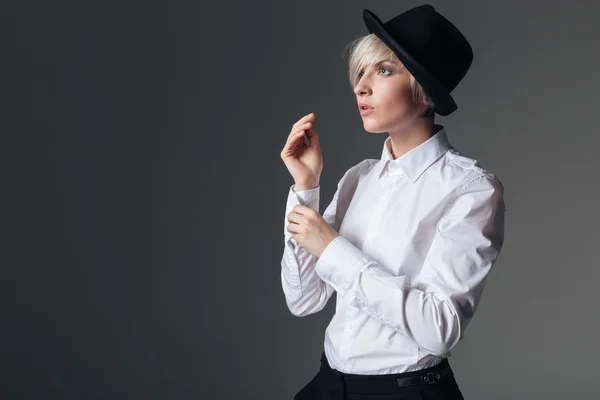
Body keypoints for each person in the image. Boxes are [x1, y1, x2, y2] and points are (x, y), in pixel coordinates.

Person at [279, 5, 505, 400]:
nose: (360, 86)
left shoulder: (471, 189)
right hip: (329, 383)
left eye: (383, 70)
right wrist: (305, 186)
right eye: (361, 72)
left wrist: (333, 248)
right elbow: (304, 299)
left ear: (423, 88)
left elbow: (439, 330)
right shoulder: (358, 178)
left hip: (405, 392)